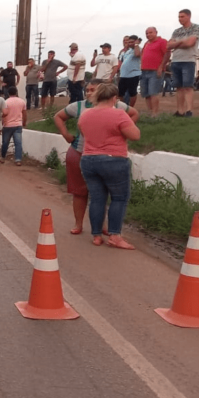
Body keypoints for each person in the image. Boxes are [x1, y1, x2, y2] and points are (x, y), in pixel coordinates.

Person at [54, 79, 138, 235]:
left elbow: (134, 113)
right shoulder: (79, 106)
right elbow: (58, 116)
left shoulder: (117, 106)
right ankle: (79, 224)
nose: (89, 93)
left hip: (95, 156)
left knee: (100, 195)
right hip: (79, 152)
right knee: (80, 192)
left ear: (102, 91)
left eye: (93, 90)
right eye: (87, 90)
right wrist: (66, 135)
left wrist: (122, 131)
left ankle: (100, 228)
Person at [78, 83, 141, 249]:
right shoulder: (119, 114)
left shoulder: (85, 114)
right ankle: (114, 235)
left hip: (88, 159)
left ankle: (96, 235)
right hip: (114, 159)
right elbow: (135, 135)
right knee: (119, 198)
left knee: (97, 198)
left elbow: (84, 133)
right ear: (114, 98)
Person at [167, 9, 199, 117]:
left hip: (188, 60)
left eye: (182, 16)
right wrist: (182, 41)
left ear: (189, 16)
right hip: (176, 60)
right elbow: (169, 45)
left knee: (188, 86)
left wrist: (177, 43)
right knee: (179, 87)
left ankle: (189, 110)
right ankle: (180, 111)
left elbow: (190, 43)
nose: (180, 19)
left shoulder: (196, 27)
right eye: (179, 17)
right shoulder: (176, 31)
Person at [139, 28, 169, 116]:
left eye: (150, 32)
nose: (148, 35)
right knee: (146, 93)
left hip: (155, 71)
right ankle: (150, 112)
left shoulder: (162, 41)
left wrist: (161, 67)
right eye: (147, 33)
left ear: (156, 32)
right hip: (144, 70)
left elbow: (167, 54)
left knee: (153, 92)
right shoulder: (146, 43)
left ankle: (155, 113)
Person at [0, 86, 27, 166]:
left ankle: (2, 157)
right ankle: (18, 160)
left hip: (7, 125)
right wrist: (24, 122)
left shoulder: (6, 102)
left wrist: (1, 124)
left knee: (5, 143)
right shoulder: (22, 101)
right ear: (16, 92)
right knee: (18, 143)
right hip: (18, 125)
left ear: (8, 93)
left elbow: (3, 114)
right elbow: (24, 114)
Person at [116, 35, 142, 107]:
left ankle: (131, 107)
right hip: (124, 74)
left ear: (136, 41)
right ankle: (123, 107)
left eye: (132, 42)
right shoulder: (128, 51)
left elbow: (137, 54)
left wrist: (136, 45)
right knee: (120, 93)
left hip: (133, 74)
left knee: (132, 92)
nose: (130, 43)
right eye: (129, 42)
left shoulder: (139, 49)